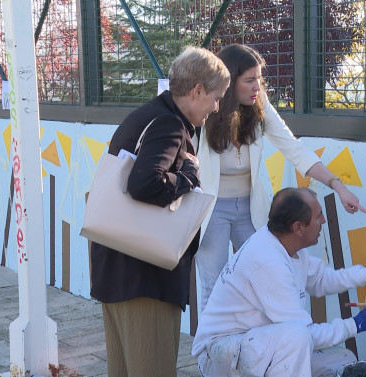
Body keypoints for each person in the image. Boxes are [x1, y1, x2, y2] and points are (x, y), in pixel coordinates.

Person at [196, 44, 366, 309]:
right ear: (229, 83)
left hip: (249, 209)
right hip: (211, 209)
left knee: (263, 279)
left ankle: (258, 348)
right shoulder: (206, 110)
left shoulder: (259, 106)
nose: (258, 87)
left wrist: (338, 186)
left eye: (259, 79)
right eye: (250, 80)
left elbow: (294, 148)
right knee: (215, 288)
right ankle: (210, 351)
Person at [89, 46, 230, 377]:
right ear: (197, 91)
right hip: (145, 279)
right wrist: (187, 178)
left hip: (119, 271)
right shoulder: (169, 124)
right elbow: (144, 183)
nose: (216, 107)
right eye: (215, 97)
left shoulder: (147, 115)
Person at [192, 187, 366, 377]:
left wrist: (365, 274)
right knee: (296, 337)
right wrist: (354, 325)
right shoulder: (268, 262)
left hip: (254, 346)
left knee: (343, 361)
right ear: (298, 228)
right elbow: (304, 335)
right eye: (318, 216)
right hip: (219, 355)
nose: (323, 221)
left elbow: (321, 279)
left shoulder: (288, 247)